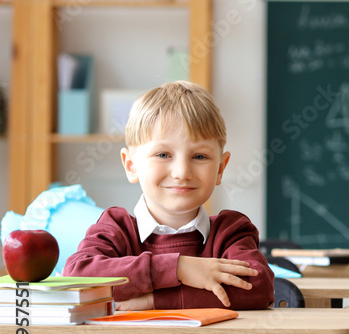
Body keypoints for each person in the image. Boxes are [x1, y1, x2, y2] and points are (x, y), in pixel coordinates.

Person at [64, 81, 274, 310]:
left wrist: (155, 301)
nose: (182, 172)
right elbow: (78, 277)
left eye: (200, 157)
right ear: (131, 166)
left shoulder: (230, 232)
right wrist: (179, 268)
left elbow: (258, 287)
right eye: (163, 154)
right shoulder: (116, 229)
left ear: (220, 169)